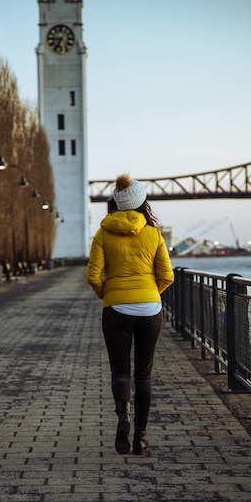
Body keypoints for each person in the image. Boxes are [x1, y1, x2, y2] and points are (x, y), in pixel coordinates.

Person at [86, 173, 174, 455]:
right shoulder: (153, 233)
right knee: (144, 375)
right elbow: (168, 275)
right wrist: (152, 294)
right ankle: (140, 439)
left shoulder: (102, 233)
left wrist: (107, 295)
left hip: (116, 309)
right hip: (150, 309)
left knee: (120, 371)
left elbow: (92, 275)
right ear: (142, 203)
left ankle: (123, 415)